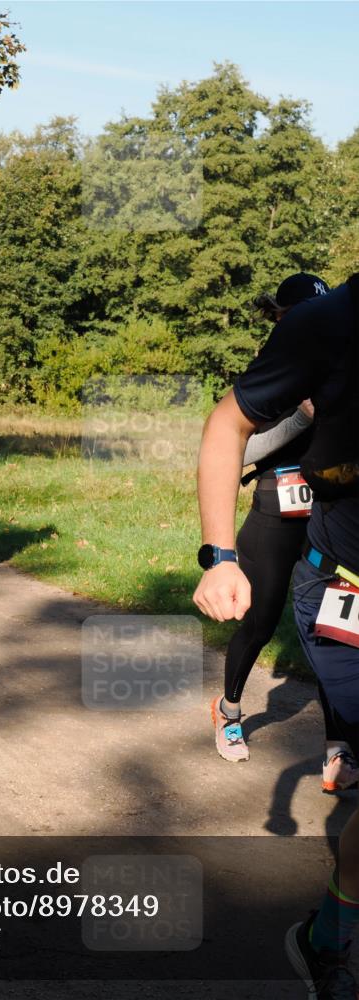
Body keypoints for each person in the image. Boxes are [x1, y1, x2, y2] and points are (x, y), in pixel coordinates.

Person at [193, 275, 359, 999]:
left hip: (318, 513)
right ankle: (230, 706)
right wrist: (219, 556)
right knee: (256, 622)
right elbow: (238, 430)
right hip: (317, 554)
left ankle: (326, 940)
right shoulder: (318, 330)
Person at [212, 274, 357, 790]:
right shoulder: (276, 368)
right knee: (260, 619)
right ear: (280, 317)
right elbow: (240, 448)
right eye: (293, 315)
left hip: (329, 524)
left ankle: (338, 746)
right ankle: (229, 710)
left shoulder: (340, 362)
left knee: (336, 632)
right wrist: (300, 415)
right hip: (276, 515)